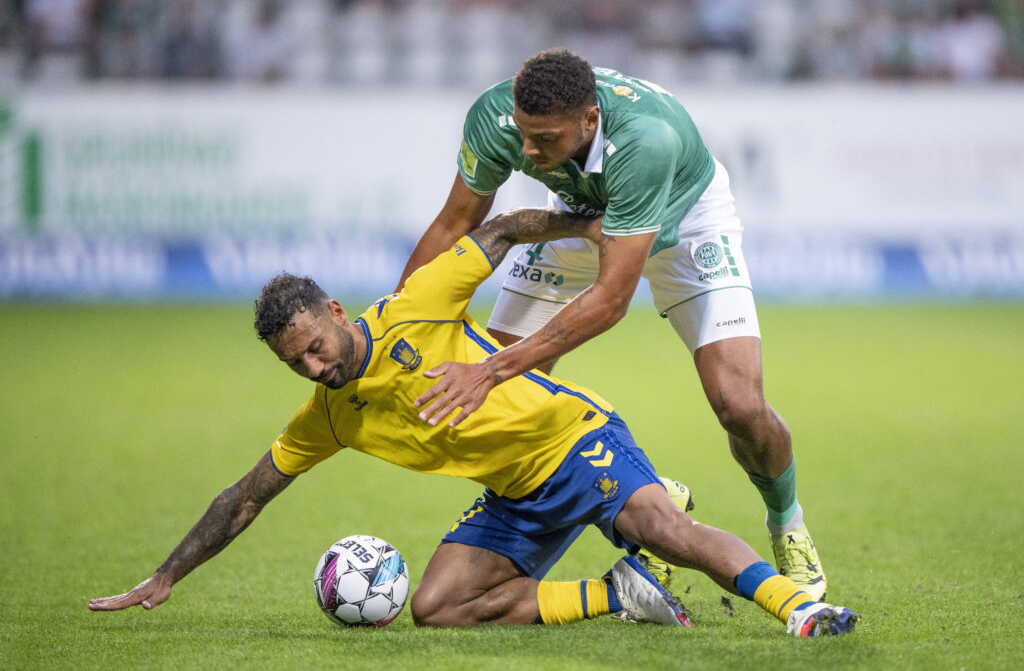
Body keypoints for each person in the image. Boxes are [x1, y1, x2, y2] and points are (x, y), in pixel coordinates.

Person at [89, 208, 859, 637]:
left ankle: (798, 605)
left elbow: (497, 234)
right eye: (298, 365)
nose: (316, 369)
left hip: (575, 440)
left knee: (670, 532)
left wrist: (586, 224)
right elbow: (246, 493)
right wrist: (164, 576)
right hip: (513, 494)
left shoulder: (415, 306)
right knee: (437, 608)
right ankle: (617, 594)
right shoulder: (329, 415)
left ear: (334, 312)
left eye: (316, 349)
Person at [399, 48, 827, 601]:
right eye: (524, 135)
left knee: (739, 405)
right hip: (582, 220)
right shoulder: (497, 118)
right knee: (484, 410)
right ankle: (648, 498)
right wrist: (391, 323)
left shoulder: (646, 141)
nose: (527, 151)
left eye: (545, 140)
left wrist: (492, 368)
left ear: (590, 120)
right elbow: (453, 224)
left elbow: (609, 302)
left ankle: (787, 523)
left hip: (688, 222)